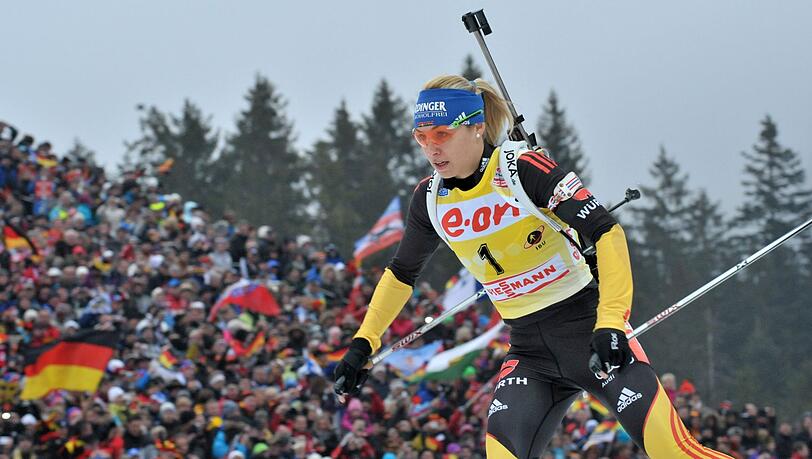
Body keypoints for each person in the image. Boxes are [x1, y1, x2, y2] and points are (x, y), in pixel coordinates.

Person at [334, 74, 733, 459]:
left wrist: (610, 322)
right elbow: (402, 273)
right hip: (529, 351)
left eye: (442, 135)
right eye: (421, 138)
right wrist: (363, 342)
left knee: (670, 451)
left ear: (475, 128)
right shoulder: (430, 199)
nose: (431, 148)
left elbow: (607, 233)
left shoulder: (521, 169)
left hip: (588, 332)